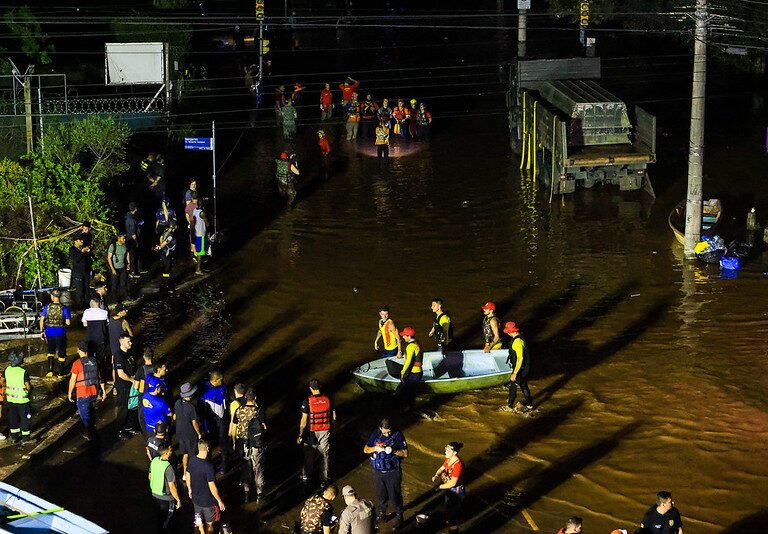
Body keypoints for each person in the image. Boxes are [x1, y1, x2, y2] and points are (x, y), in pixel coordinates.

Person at [363, 418, 407, 526]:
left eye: (389, 432)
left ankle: (399, 516)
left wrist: (393, 451)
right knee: (381, 496)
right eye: (385, 432)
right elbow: (365, 449)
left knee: (395, 496)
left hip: (393, 472)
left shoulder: (397, 435)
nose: (387, 435)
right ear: (380, 428)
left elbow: (405, 453)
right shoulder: (376, 434)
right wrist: (375, 448)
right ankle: (382, 516)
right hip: (378, 472)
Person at [232, 387, 267, 503]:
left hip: (243, 444)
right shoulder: (259, 411)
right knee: (258, 470)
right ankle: (259, 495)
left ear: (245, 398)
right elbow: (264, 427)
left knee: (246, 469)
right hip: (256, 445)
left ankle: (246, 494)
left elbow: (234, 428)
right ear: (255, 398)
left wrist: (233, 442)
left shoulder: (239, 410)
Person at [298, 379, 335, 484]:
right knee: (324, 456)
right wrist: (333, 430)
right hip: (325, 431)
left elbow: (304, 420)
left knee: (309, 455)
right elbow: (334, 417)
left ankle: (306, 475)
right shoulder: (328, 399)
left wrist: (300, 434)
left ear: (311, 388)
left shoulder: (307, 401)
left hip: (311, 433)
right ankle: (324, 478)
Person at [68, 341, 107, 440]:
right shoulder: (95, 361)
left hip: (82, 394)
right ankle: (91, 431)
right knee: (91, 412)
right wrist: (103, 391)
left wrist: (69, 393)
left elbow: (73, 380)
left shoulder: (77, 364)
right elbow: (100, 377)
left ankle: (91, 433)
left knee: (85, 415)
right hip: (94, 393)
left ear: (79, 350)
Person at [187, 439, 227, 534]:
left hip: (196, 501)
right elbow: (212, 486)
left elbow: (187, 474)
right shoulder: (208, 466)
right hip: (208, 503)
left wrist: (189, 489)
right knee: (210, 524)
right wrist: (219, 501)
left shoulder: (191, 460)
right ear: (208, 449)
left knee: (198, 523)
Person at [200, 371, 229, 474]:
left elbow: (227, 402)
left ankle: (224, 465)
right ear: (215, 380)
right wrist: (204, 425)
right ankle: (210, 467)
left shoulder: (223, 387)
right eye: (221, 379)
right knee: (210, 445)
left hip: (222, 420)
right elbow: (202, 410)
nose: (223, 381)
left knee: (223, 443)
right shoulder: (204, 390)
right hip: (210, 421)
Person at [431, 441, 465, 529]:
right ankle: (450, 522)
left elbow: (453, 483)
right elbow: (441, 468)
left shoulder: (458, 465)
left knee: (453, 511)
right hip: (448, 488)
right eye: (446, 449)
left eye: (448, 451)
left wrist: (439, 487)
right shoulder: (448, 459)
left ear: (455, 453)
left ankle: (453, 527)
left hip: (456, 491)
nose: (445, 452)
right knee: (448, 507)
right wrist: (436, 475)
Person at [502, 321, 533, 413]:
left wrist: (515, 372)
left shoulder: (517, 342)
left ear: (514, 331)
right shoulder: (521, 338)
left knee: (513, 386)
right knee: (523, 386)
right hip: (525, 367)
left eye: (509, 331)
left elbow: (520, 358)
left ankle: (509, 406)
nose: (508, 333)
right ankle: (530, 406)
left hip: (521, 369)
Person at [149, 444, 182, 531]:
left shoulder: (154, 460)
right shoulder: (168, 467)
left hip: (155, 494)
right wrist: (178, 500)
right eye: (170, 450)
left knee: (160, 514)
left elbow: (150, 476)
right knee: (168, 518)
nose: (172, 451)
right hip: (166, 498)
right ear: (166, 453)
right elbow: (172, 487)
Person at [39, 289, 71, 377]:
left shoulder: (47, 307)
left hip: (49, 333)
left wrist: (42, 331)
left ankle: (50, 371)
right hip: (60, 333)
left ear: (52, 296)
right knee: (61, 352)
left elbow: (41, 320)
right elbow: (68, 322)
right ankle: (60, 372)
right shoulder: (64, 308)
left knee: (50, 351)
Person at [175, 382, 202, 481]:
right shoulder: (191, 408)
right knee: (193, 456)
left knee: (185, 454)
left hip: (180, 433)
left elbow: (175, 417)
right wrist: (199, 433)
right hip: (190, 435)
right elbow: (195, 423)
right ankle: (193, 475)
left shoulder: (177, 403)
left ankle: (184, 474)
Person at [114, 333, 139, 439]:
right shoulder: (118, 355)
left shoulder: (130, 353)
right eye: (128, 341)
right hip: (123, 386)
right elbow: (121, 374)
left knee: (133, 406)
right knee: (123, 408)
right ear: (121, 342)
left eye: (130, 341)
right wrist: (132, 380)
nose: (130, 343)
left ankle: (131, 427)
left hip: (132, 385)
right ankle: (120, 430)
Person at [4, 352, 32, 444]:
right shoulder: (23, 372)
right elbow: (28, 387)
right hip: (22, 401)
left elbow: (1, 381)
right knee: (24, 419)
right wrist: (30, 392)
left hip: (11, 400)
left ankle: (14, 437)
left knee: (13, 419)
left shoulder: (7, 369)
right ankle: (25, 437)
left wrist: (7, 386)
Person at [395, 327, 422, 409]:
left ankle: (404, 409)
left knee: (400, 390)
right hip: (417, 372)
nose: (403, 337)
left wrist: (402, 372)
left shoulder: (410, 347)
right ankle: (410, 409)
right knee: (410, 394)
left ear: (409, 336)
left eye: (404, 336)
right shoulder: (416, 343)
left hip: (414, 374)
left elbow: (408, 361)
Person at [82, 298, 110, 372]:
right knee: (101, 359)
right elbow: (107, 323)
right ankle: (102, 379)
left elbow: (85, 324)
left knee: (90, 359)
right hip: (101, 338)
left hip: (90, 339)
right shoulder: (104, 312)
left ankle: (92, 375)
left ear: (92, 301)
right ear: (100, 302)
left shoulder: (87, 312)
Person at [135, 347, 155, 434]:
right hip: (154, 395)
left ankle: (146, 433)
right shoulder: (156, 369)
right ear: (153, 356)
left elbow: (136, 386)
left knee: (142, 417)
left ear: (144, 356)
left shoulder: (140, 370)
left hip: (143, 396)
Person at [69, 235, 92, 309]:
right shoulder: (72, 249)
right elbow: (76, 260)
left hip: (86, 271)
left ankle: (87, 304)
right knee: (79, 290)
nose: (82, 241)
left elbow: (88, 259)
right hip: (78, 272)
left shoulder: (83, 248)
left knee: (87, 289)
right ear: (75, 241)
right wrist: (82, 252)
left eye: (82, 240)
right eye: (80, 240)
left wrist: (88, 252)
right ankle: (79, 306)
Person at [107, 234, 130, 302]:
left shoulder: (124, 245)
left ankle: (125, 296)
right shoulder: (113, 246)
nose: (124, 240)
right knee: (114, 284)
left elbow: (127, 254)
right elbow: (109, 258)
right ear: (119, 238)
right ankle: (115, 298)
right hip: (115, 268)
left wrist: (128, 263)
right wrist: (112, 269)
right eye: (123, 238)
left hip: (122, 267)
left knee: (123, 283)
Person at [125, 202, 142, 277]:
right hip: (131, 240)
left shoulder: (128, 215)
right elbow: (133, 234)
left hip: (129, 239)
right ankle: (133, 271)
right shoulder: (131, 219)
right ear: (135, 208)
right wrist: (136, 242)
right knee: (133, 256)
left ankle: (137, 270)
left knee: (133, 255)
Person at [192, 202, 209, 274]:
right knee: (200, 252)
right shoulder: (202, 213)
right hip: (201, 235)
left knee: (200, 251)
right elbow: (207, 223)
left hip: (196, 233)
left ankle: (200, 267)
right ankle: (198, 269)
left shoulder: (194, 211)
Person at [185, 191, 199, 259]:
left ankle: (194, 254)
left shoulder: (188, 206)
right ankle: (197, 255)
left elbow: (187, 215)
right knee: (198, 239)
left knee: (193, 240)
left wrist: (190, 222)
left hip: (192, 224)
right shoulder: (198, 205)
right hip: (198, 225)